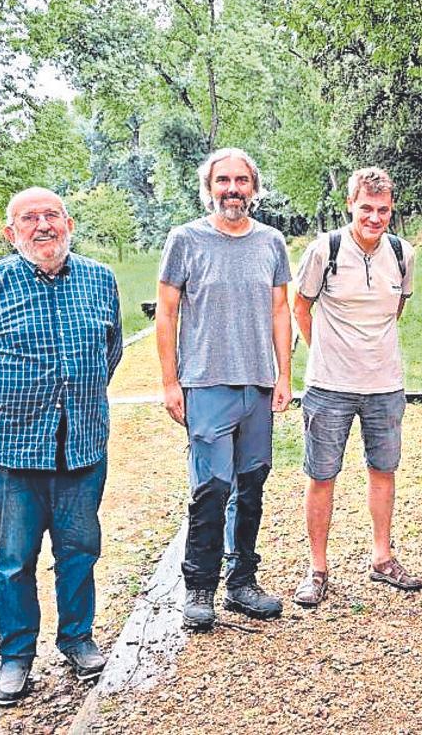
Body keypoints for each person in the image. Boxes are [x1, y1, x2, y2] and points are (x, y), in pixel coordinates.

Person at [0, 188, 123, 706]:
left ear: (68, 222)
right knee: (15, 559)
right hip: (10, 455)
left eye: (51, 216)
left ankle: (77, 639)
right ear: (11, 232)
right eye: (29, 218)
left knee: (80, 551)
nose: (42, 226)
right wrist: (3, 414)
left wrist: (75, 403)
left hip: (83, 447)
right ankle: (16, 656)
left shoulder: (100, 279)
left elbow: (109, 352)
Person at [156, 148, 293, 630]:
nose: (232, 189)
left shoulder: (271, 243)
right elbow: (167, 312)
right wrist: (171, 382)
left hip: (256, 383)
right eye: (223, 181)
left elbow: (281, 310)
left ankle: (241, 581)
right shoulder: (186, 240)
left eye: (241, 181)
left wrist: (284, 374)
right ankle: (199, 585)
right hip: (206, 382)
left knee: (251, 483)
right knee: (211, 486)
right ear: (209, 188)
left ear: (254, 188)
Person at [291, 167, 420, 605]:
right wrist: (325, 352)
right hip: (329, 385)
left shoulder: (403, 254)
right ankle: (317, 568)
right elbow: (301, 306)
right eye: (366, 208)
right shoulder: (323, 250)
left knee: (383, 471)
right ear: (350, 204)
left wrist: (369, 353)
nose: (375, 217)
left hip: (385, 384)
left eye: (383, 209)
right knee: (321, 475)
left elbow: (395, 310)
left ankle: (382, 558)